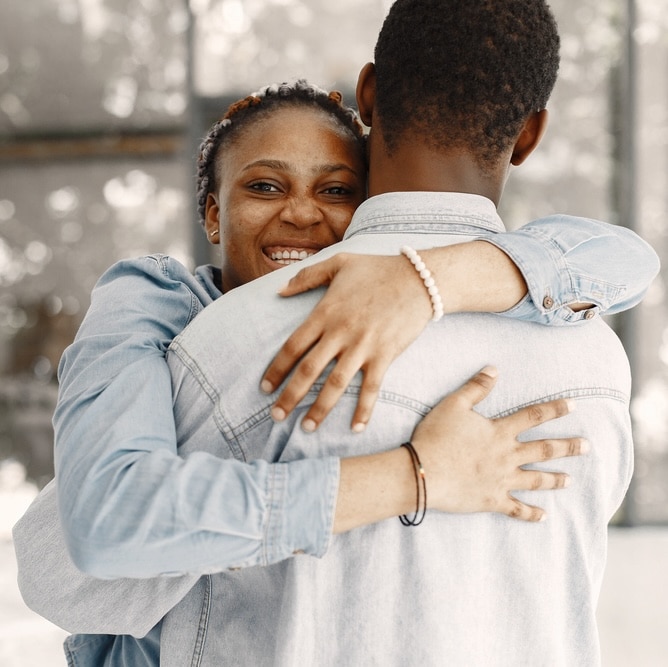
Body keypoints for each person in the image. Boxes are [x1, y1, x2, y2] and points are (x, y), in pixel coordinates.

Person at [14, 67, 656, 666]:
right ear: (212, 213)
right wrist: (413, 476)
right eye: (264, 186)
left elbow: (626, 259)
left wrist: (422, 281)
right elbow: (108, 524)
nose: (300, 212)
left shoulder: (398, 299)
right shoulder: (151, 300)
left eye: (337, 191)